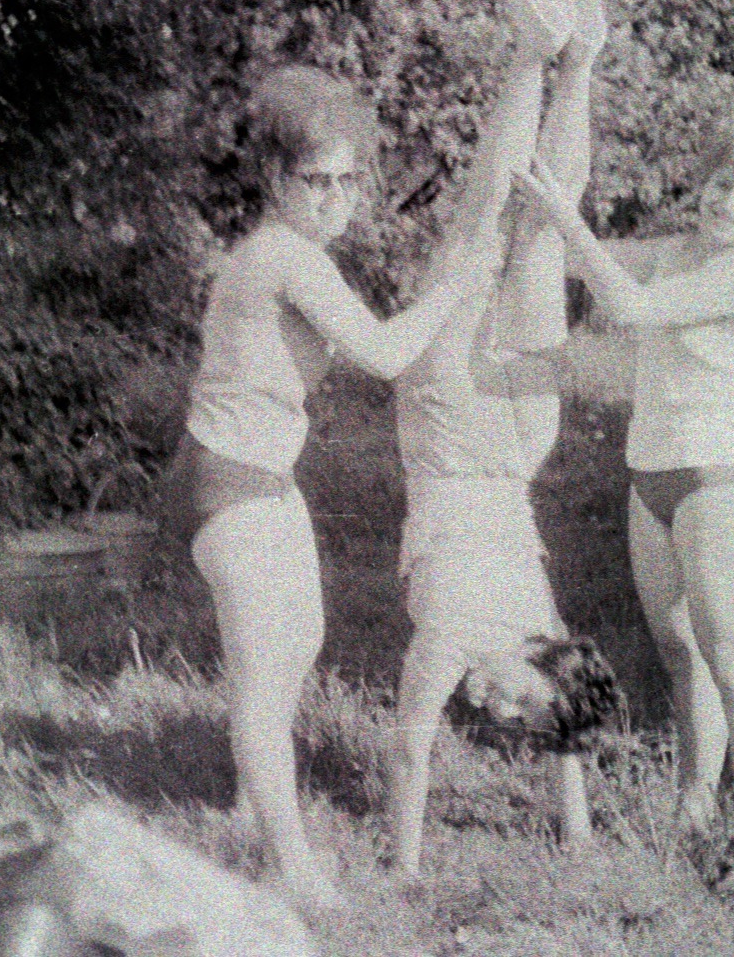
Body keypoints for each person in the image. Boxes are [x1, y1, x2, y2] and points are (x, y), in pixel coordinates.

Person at [171, 60, 496, 909]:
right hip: (225, 479)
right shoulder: (284, 254)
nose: (335, 197)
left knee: (303, 636)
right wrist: (459, 285)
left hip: (263, 477)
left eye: (350, 178)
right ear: (276, 178)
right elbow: (387, 355)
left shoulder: (294, 251)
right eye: (316, 179)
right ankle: (291, 865)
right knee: (267, 661)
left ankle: (253, 798)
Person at [518, 101, 734, 889]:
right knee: (681, 655)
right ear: (700, 185)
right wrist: (539, 216)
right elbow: (585, 262)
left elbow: (630, 305)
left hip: (716, 480)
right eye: (719, 186)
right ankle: (694, 802)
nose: (727, 204)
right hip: (649, 479)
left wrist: (563, 218)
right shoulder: (676, 250)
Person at [387, 0, 619, 879]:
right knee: (499, 222)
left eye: (507, 721)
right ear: (549, 666)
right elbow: (408, 751)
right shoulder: (458, 633)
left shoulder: (537, 635)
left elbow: (557, 709)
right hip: (464, 441)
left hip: (513, 449)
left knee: (532, 231)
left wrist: (580, 826)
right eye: (518, 708)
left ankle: (577, 58)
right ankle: (543, 55)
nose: (497, 713)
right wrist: (403, 868)